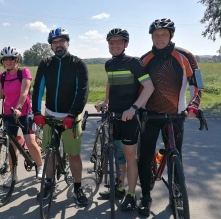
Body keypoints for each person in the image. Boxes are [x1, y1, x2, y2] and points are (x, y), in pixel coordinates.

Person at [138, 18, 204, 216]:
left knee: (176, 155)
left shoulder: (185, 56)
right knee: (144, 156)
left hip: (176, 114)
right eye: (156, 35)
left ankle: (175, 193)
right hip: (150, 114)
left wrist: (194, 105)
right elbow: (139, 87)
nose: (159, 38)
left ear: (171, 36)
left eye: (163, 34)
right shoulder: (145, 58)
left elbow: (197, 83)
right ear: (151, 37)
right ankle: (146, 197)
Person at [95, 28, 154, 211]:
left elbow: (149, 87)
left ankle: (131, 194)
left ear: (125, 44)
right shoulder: (109, 64)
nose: (114, 45)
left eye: (118, 42)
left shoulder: (133, 62)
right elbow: (110, 83)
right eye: (111, 42)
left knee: (130, 157)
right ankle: (119, 188)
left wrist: (134, 108)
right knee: (119, 155)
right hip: (114, 115)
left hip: (129, 117)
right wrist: (105, 102)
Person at [32, 27, 89, 206]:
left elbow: (82, 91)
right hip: (51, 115)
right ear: (51, 46)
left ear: (67, 43)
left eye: (61, 41)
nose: (58, 45)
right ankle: (48, 184)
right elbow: (38, 89)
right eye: (54, 43)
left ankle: (78, 187)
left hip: (71, 118)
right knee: (50, 154)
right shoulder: (46, 63)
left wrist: (72, 114)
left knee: (73, 155)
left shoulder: (78, 64)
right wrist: (36, 112)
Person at [0, 46, 43, 186]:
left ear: (17, 59)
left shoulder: (24, 72)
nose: (9, 61)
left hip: (24, 112)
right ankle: (13, 174)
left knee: (29, 141)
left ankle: (39, 166)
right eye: (6, 59)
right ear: (3, 61)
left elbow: (24, 92)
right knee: (11, 146)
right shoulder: (2, 76)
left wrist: (18, 108)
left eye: (12, 58)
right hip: (8, 114)